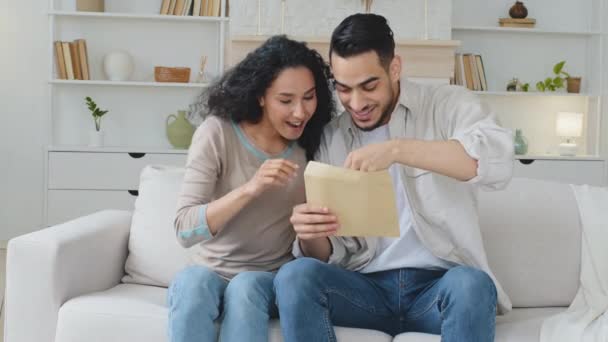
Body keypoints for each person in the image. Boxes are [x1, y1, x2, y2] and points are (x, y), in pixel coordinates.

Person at [274, 14, 514, 342]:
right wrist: (310, 234)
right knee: (294, 275)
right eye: (343, 88)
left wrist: (397, 149)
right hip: (363, 289)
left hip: (439, 287)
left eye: (369, 86)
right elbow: (331, 253)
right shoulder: (333, 137)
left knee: (473, 284)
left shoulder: (446, 104)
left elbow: (496, 163)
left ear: (395, 68)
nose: (356, 103)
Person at [168, 35, 334, 342]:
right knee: (193, 284)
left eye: (309, 97)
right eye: (286, 100)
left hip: (268, 280)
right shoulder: (217, 133)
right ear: (260, 96)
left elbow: (320, 258)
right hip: (209, 272)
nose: (300, 112)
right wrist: (251, 188)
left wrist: (310, 231)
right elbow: (184, 230)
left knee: (245, 288)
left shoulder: (311, 144)